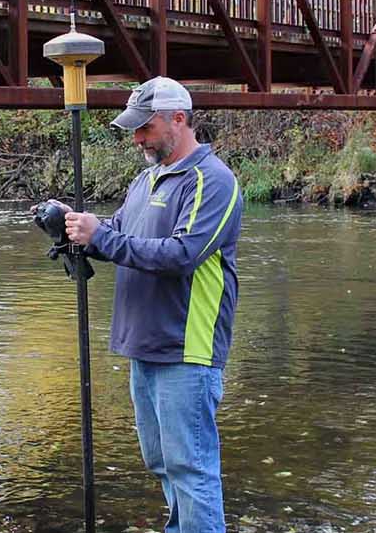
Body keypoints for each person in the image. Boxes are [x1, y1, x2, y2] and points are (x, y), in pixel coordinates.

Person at [63, 76, 242, 533]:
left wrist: (102, 234)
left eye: (145, 127)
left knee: (191, 469)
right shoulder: (145, 181)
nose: (137, 137)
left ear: (178, 120)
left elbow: (182, 255)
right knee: (162, 462)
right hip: (144, 347)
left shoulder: (213, 180)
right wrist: (75, 232)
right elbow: (118, 237)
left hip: (187, 349)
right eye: (134, 129)